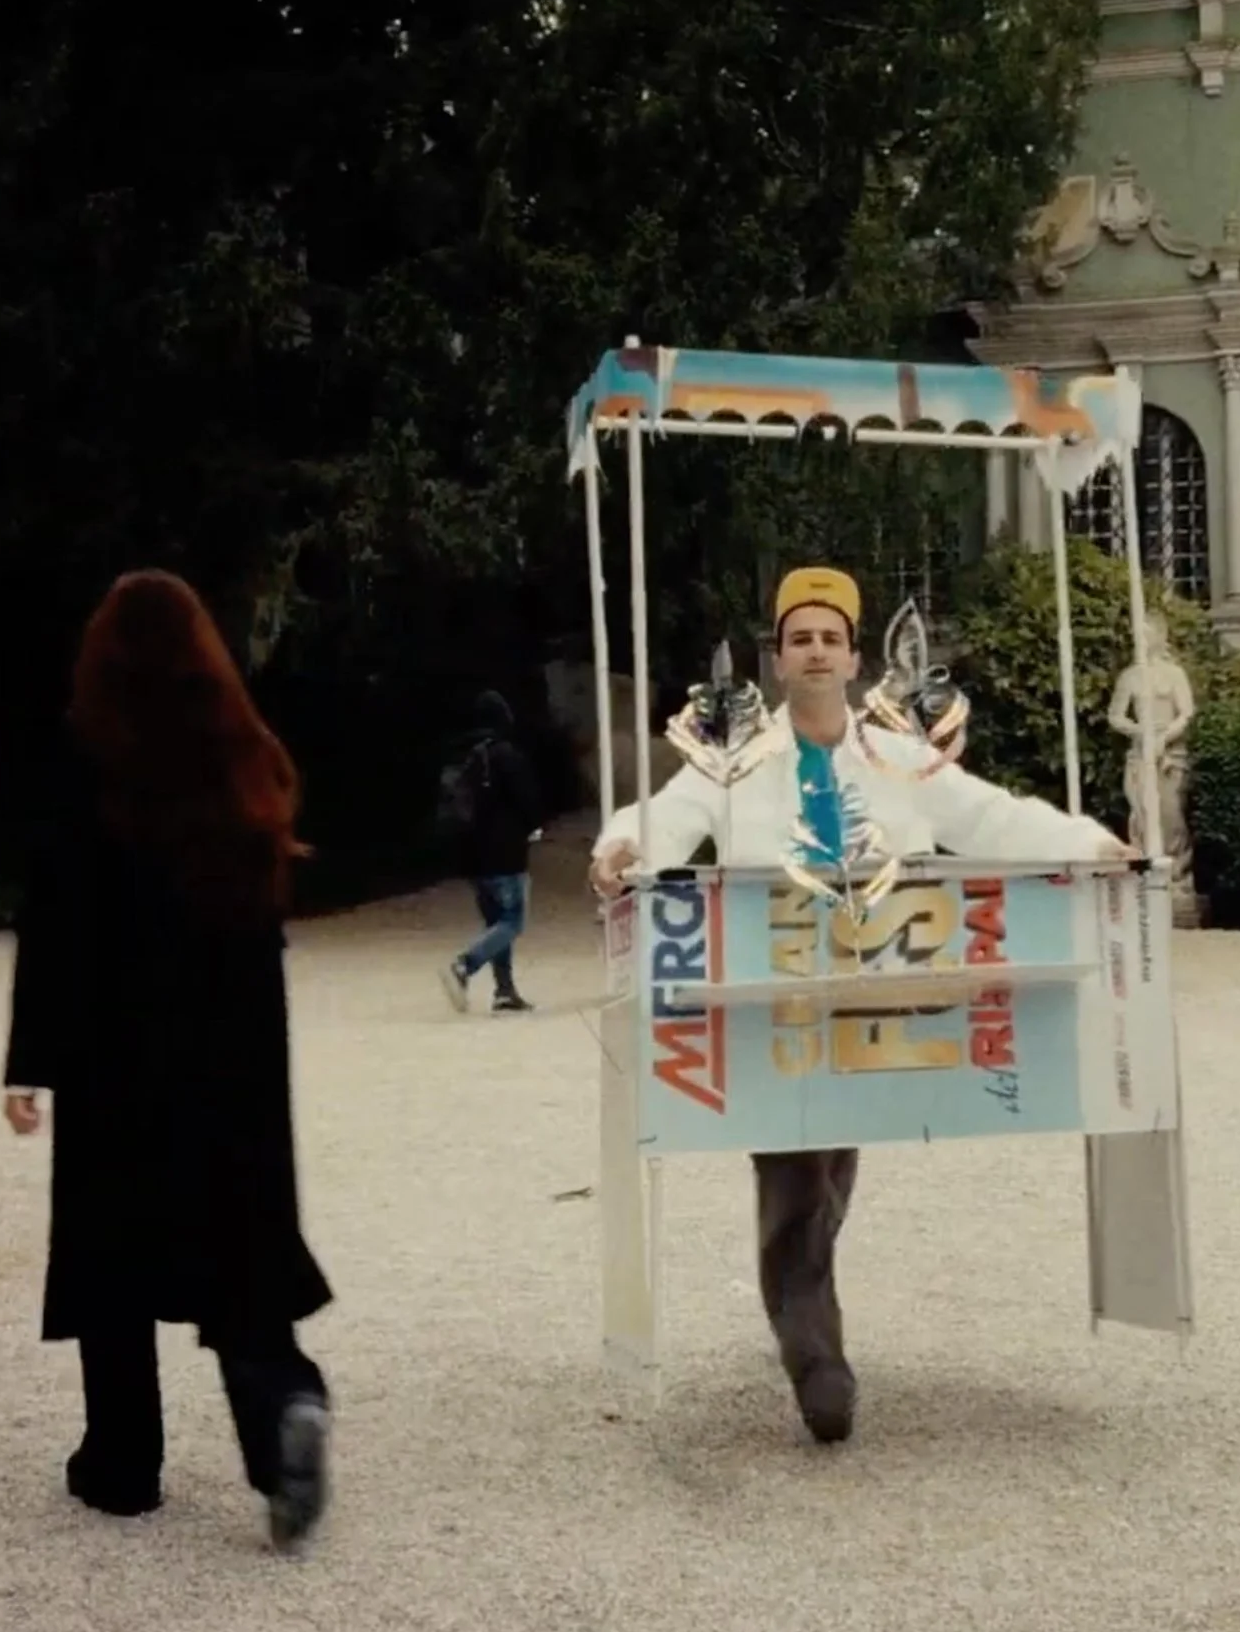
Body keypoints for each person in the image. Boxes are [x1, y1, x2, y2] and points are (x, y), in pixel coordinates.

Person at [587, 566, 1136, 1445]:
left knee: (833, 1162)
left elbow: (992, 818)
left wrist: (1092, 845)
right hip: (770, 998)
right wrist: (621, 846)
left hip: (882, 995)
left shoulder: (898, 758)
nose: (815, 652)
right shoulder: (733, 763)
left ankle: (806, 1302)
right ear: (777, 658)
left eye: (830, 638)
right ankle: (817, 1361)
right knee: (795, 1169)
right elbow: (667, 815)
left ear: (851, 657)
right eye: (799, 638)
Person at [1, 570, 335, 1548]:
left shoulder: (84, 758)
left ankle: (122, 1462)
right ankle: (281, 1416)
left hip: (112, 1045)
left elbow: (53, 917)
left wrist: (28, 1060)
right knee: (242, 1239)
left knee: (111, 1245)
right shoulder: (239, 753)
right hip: (233, 1044)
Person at [439, 689, 545, 1014]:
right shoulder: (506, 755)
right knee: (512, 922)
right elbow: (526, 798)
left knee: (496, 924)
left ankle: (505, 990)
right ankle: (464, 965)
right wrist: (534, 825)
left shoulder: (466, 757)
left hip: (473, 855)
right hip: (506, 853)